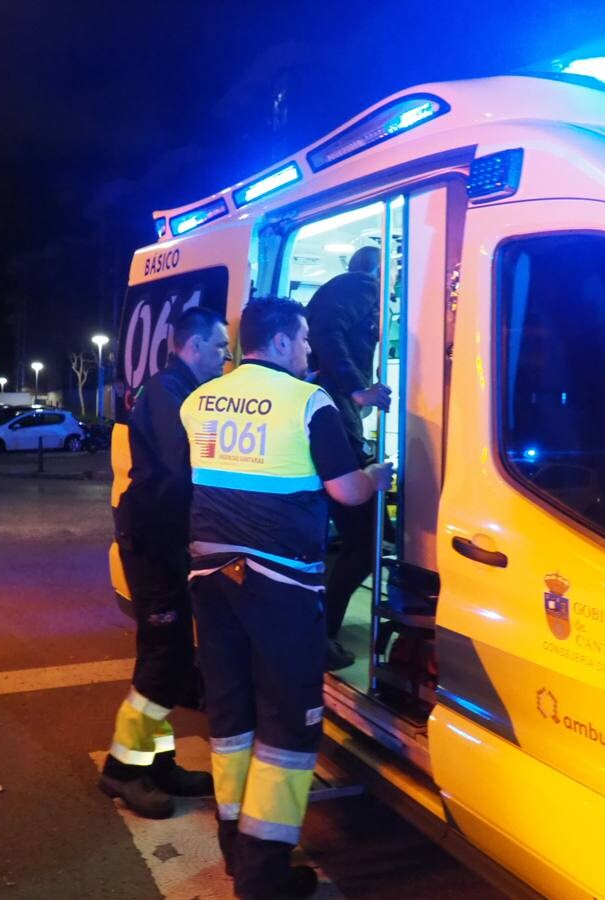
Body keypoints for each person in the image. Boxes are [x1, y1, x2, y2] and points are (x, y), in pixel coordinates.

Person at [182, 299, 393, 898]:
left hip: (210, 578)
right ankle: (264, 877)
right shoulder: (308, 402)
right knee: (287, 728)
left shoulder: (201, 400)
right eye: (303, 341)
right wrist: (385, 471)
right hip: (281, 586)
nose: (309, 352)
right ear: (278, 342)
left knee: (230, 718)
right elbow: (348, 491)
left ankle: (235, 851)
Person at [100, 306, 232, 819]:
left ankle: (157, 763)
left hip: (167, 540)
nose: (225, 358)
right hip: (153, 543)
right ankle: (120, 771)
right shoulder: (165, 393)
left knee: (170, 652)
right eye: (220, 347)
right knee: (164, 658)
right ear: (193, 345)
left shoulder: (183, 392)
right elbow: (186, 465)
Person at [304, 246, 392, 670]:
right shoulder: (360, 286)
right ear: (376, 268)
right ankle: (321, 635)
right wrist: (358, 388)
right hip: (340, 411)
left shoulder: (343, 289)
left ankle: (320, 630)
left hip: (342, 410)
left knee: (362, 536)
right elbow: (327, 333)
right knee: (367, 536)